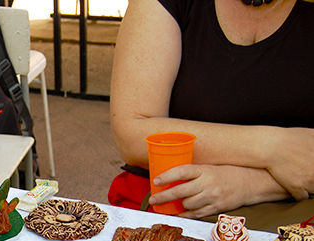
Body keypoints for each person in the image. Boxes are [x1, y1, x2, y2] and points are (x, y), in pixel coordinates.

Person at [108, 0, 314, 221]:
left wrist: (247, 184)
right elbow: (132, 133)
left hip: (298, 209)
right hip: (175, 200)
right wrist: (273, 147)